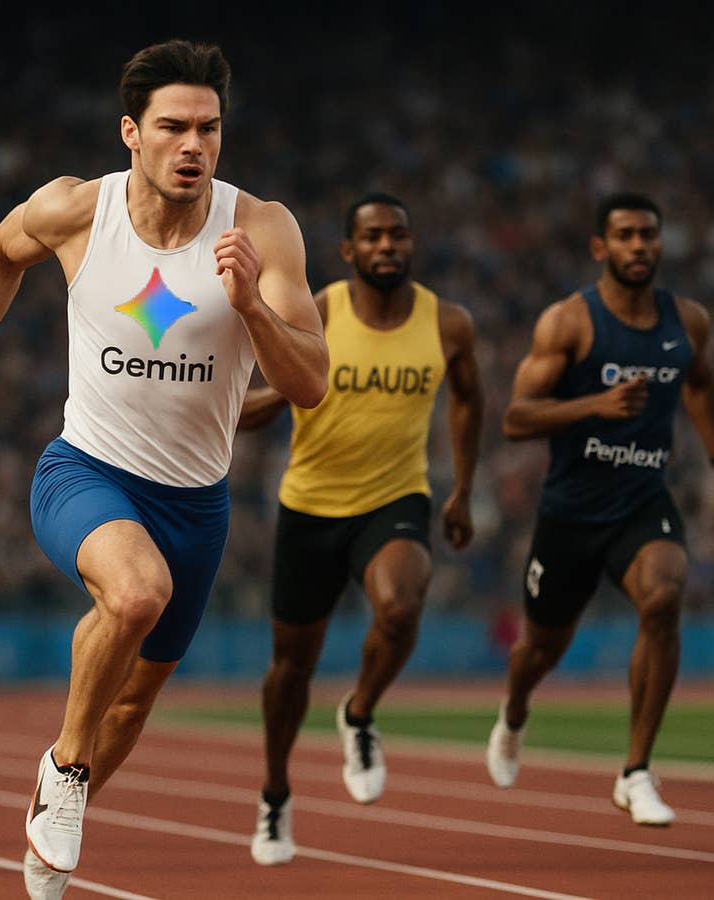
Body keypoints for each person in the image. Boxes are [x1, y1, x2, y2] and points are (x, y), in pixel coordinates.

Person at [0, 39, 328, 900]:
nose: (194, 145)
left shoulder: (262, 229)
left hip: (196, 507)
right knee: (136, 592)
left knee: (135, 701)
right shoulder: (78, 210)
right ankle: (65, 768)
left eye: (209, 129)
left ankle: (54, 811)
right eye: (174, 127)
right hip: (85, 472)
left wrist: (251, 306)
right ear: (131, 133)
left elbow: (310, 384)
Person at [239, 193, 482, 865]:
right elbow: (277, 387)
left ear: (412, 243)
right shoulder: (319, 311)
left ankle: (360, 712)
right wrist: (216, 410)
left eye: (397, 235)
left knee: (400, 608)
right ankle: (275, 792)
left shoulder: (449, 323)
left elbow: (469, 398)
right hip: (309, 507)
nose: (386, 246)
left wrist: (463, 489)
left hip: (394, 498)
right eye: (372, 237)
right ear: (349, 251)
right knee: (291, 667)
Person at [486, 192, 714, 826]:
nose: (639, 245)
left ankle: (636, 770)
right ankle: (515, 710)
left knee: (664, 597)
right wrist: (595, 405)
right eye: (625, 235)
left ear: (660, 243)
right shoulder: (568, 322)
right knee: (540, 651)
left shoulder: (688, 322)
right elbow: (516, 418)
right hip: (570, 512)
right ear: (600, 247)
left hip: (643, 499)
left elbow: (700, 389)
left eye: (648, 234)